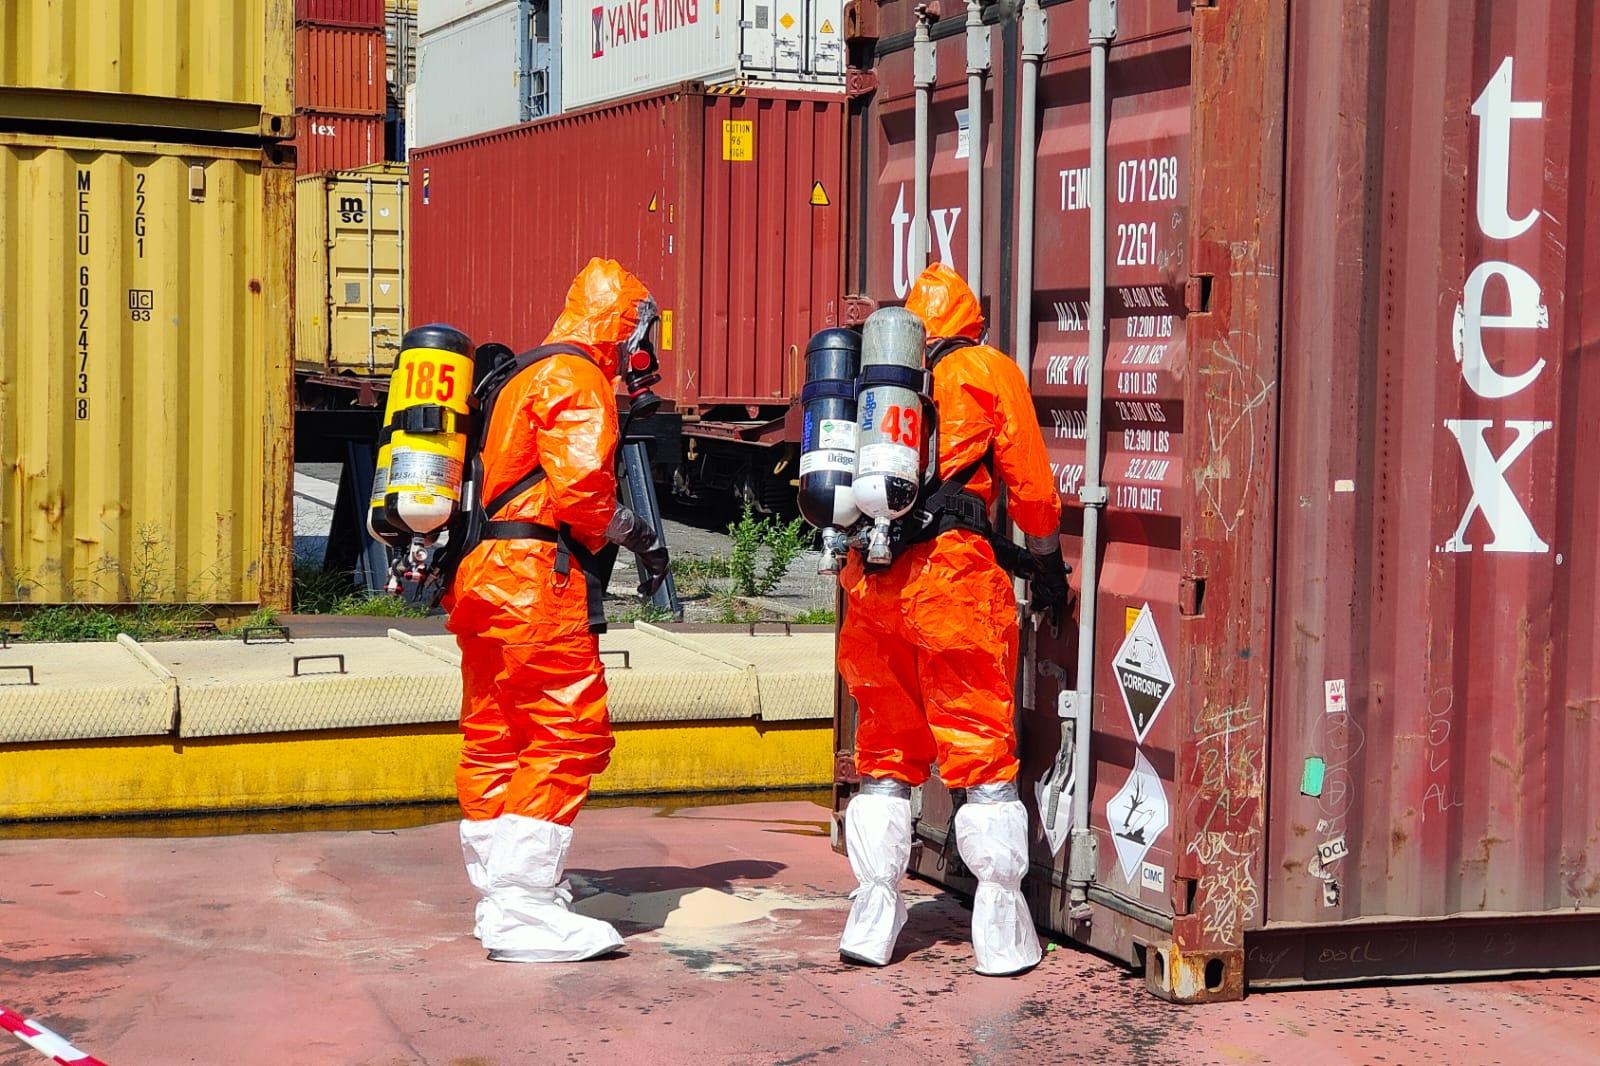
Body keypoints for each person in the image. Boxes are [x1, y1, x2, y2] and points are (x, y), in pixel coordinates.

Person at [835, 262, 1069, 976]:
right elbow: (1032, 494)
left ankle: (873, 919)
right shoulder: (985, 370)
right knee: (980, 755)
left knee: (883, 758)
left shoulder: (869, 380)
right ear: (971, 321)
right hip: (952, 587)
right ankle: (1000, 934)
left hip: (871, 585)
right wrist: (1049, 562)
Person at [445, 258, 669, 963]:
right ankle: (524, 907)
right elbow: (581, 498)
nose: (645, 349)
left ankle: (498, 891)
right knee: (570, 730)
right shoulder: (578, 379)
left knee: (496, 733)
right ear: (620, 324)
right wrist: (641, 536)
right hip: (535, 582)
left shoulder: (520, 375)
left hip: (482, 579)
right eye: (642, 330)